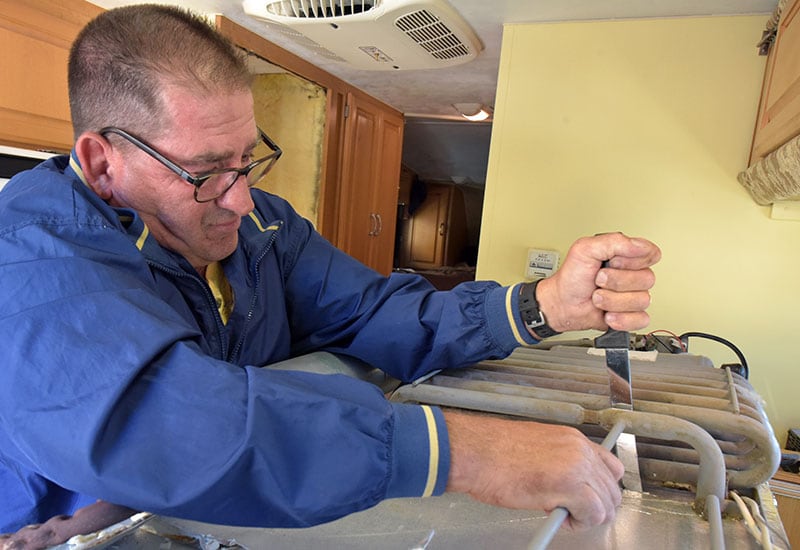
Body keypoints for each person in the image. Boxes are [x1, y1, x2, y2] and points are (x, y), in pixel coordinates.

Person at [0, 4, 660, 539]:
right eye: (204, 174)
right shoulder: (31, 255)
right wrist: (468, 452)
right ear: (104, 162)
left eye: (246, 159)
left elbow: (373, 311)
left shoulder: (263, 225)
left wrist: (542, 304)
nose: (238, 198)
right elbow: (163, 422)